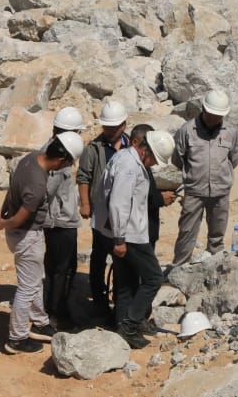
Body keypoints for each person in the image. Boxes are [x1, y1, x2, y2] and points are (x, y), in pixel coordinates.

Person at [0, 131, 84, 354]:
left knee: (35, 280)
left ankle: (40, 322)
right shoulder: (38, 183)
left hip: (20, 234)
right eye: (69, 163)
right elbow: (22, 215)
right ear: (61, 160)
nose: (68, 168)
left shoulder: (30, 159)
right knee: (27, 287)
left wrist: (1, 212)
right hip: (26, 235)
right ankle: (17, 338)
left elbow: (13, 191)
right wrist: (3, 222)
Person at [104, 128, 175, 348]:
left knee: (126, 282)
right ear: (146, 150)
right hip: (129, 235)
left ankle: (122, 326)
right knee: (154, 278)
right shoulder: (128, 166)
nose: (153, 164)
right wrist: (119, 240)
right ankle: (131, 324)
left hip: (127, 232)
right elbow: (118, 203)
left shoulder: (126, 159)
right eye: (154, 160)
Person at [170, 89, 238, 269]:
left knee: (217, 233)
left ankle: (216, 267)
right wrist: (193, 175)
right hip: (194, 191)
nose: (216, 119)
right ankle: (179, 268)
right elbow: (178, 159)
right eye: (212, 115)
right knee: (187, 232)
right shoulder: (187, 130)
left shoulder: (230, 132)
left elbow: (234, 159)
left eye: (219, 116)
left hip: (221, 191)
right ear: (203, 109)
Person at [76, 100, 129, 320]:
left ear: (123, 125)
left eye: (113, 127)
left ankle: (120, 302)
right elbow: (83, 176)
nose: (108, 131)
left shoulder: (132, 146)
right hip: (101, 214)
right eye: (106, 127)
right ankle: (99, 301)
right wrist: (85, 203)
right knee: (99, 258)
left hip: (124, 215)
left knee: (122, 260)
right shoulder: (94, 149)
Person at [41, 107, 86, 330]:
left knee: (59, 268)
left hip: (60, 220)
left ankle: (55, 310)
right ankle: (55, 314)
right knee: (62, 269)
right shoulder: (59, 158)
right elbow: (48, 191)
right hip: (60, 222)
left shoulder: (55, 150)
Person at [129, 124, 176, 248]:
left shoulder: (143, 165)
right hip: (136, 234)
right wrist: (160, 199)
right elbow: (132, 200)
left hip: (147, 231)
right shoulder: (130, 167)